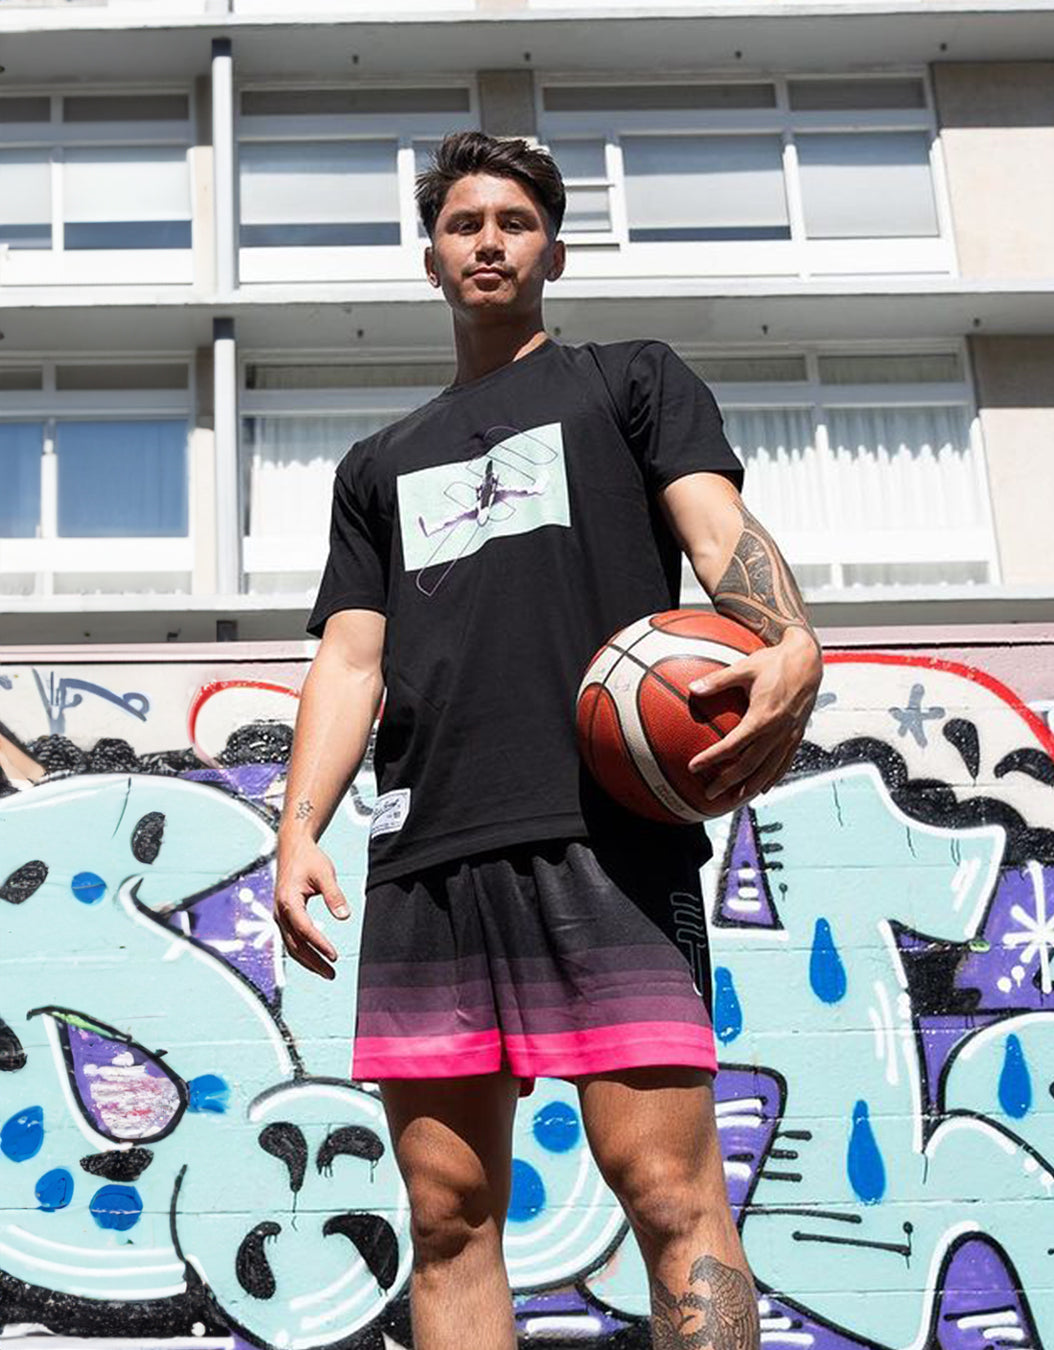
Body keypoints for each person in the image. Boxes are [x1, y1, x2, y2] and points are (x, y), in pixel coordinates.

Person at [275, 131, 822, 1350]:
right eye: (464, 222)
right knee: (448, 1215)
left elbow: (716, 519)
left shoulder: (627, 380)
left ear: (552, 251)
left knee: (671, 1192)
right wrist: (299, 828)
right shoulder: (378, 465)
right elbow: (352, 658)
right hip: (426, 854)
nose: (487, 240)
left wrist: (788, 636)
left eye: (513, 223)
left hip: (603, 837)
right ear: (431, 256)